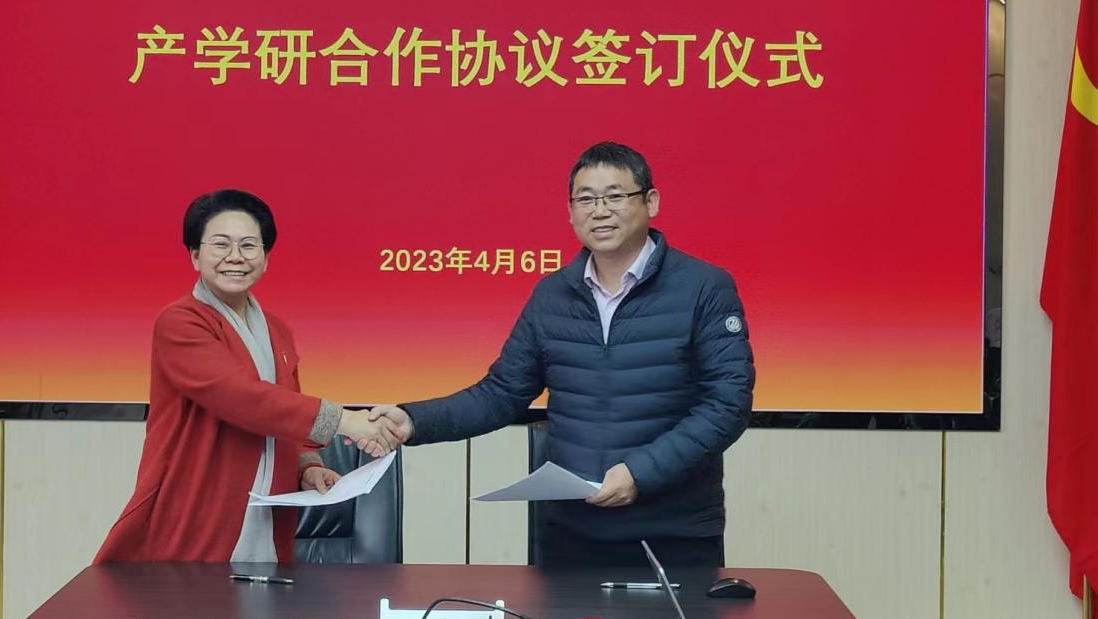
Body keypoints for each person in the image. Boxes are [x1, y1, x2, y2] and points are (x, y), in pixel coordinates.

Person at [369, 142, 755, 567]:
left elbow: (728, 404)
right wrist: (414, 420)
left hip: (674, 531)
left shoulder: (704, 287)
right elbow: (501, 393)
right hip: (572, 531)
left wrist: (641, 473)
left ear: (651, 202)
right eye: (585, 199)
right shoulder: (552, 294)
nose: (600, 211)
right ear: (570, 212)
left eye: (614, 196)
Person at [96, 189, 395, 564]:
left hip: (268, 511)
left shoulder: (277, 330)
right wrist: (346, 420)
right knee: (193, 598)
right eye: (221, 245)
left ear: (266, 259)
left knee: (264, 597)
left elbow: (285, 415)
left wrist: (308, 467)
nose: (235, 257)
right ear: (195, 255)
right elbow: (242, 398)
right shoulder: (181, 322)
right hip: (199, 507)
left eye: (249, 246)